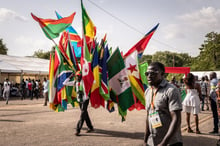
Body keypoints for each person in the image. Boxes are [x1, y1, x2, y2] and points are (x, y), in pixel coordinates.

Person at [144, 62, 182, 146]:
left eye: (153, 73)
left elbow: (176, 118)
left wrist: (164, 143)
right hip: (152, 141)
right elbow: (148, 116)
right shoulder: (147, 91)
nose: (149, 76)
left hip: (170, 142)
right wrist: (145, 140)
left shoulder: (171, 90)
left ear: (162, 74)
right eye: (147, 73)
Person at [63, 71, 94, 136]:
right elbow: (64, 83)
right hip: (79, 100)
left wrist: (88, 77)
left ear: (81, 76)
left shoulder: (85, 82)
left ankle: (78, 130)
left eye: (79, 76)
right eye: (77, 76)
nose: (77, 77)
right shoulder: (75, 82)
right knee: (84, 113)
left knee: (82, 114)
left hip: (85, 99)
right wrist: (70, 77)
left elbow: (94, 82)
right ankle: (90, 127)